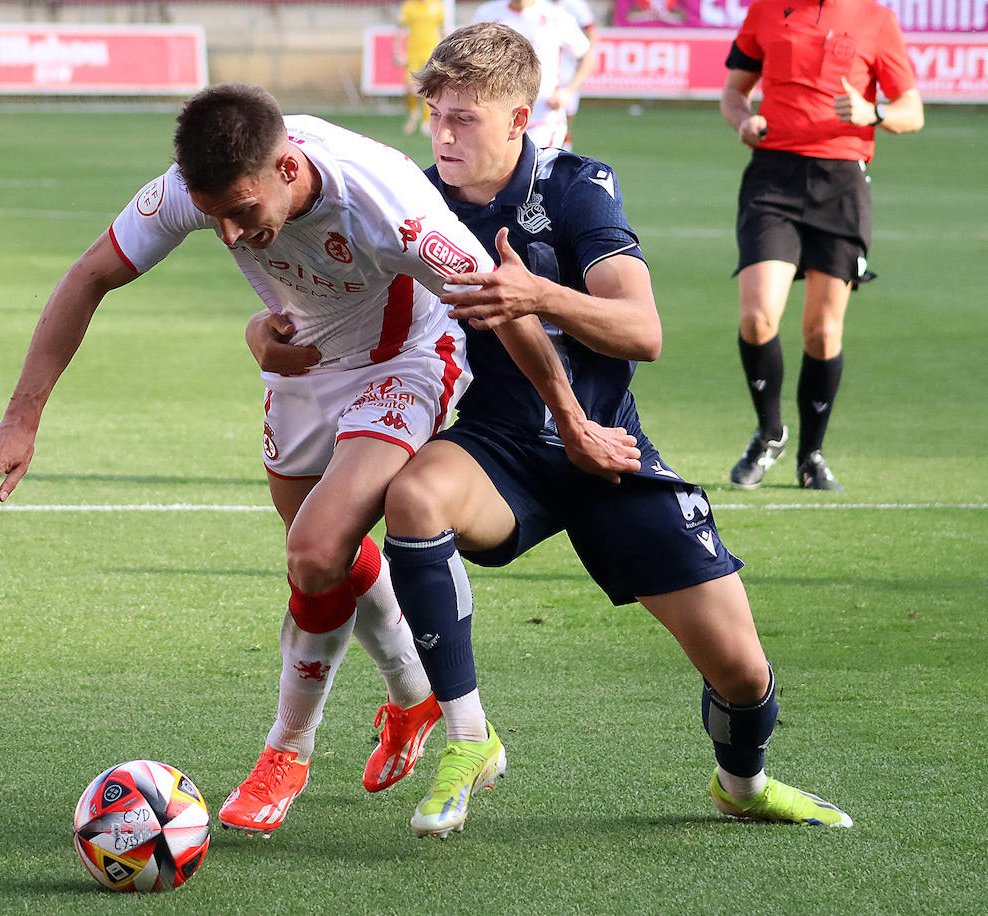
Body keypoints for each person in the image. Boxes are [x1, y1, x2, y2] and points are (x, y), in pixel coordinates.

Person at [0, 83, 636, 836]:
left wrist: (571, 421)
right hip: (302, 362)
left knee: (314, 551)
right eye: (215, 219)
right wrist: (21, 420)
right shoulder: (196, 188)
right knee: (324, 557)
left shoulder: (388, 204)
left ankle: (288, 748)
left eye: (243, 212)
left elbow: (501, 310)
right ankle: (413, 696)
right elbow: (90, 276)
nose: (233, 236)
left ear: (286, 167)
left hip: (404, 359)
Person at [251, 23, 854, 840]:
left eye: (466, 118)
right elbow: (333, 305)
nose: (445, 134)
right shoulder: (411, 200)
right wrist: (264, 334)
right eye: (437, 115)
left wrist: (540, 295)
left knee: (743, 672)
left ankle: (741, 784)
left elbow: (644, 331)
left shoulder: (575, 191)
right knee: (416, 496)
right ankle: (467, 737)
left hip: (610, 453)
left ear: (519, 119)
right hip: (499, 450)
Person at [721, 0, 923, 490]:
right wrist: (743, 121)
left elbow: (911, 111)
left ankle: (811, 455)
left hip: (842, 182)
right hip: (773, 179)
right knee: (756, 316)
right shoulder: (765, 12)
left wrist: (872, 111)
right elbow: (733, 93)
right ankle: (770, 433)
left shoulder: (876, 19)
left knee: (823, 334)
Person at [470, 0, 590, 150]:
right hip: (499, 114)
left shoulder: (556, 16)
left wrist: (568, 91)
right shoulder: (487, 14)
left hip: (544, 113)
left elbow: (587, 56)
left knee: (538, 170)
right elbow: (472, 57)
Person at [549, 0, 597, 149]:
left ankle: (564, 149)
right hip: (544, 69)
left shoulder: (575, 5)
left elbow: (591, 33)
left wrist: (584, 54)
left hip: (566, 69)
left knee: (565, 114)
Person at [395, 0, 445, 135]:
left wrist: (446, 51)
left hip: (431, 51)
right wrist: (397, 50)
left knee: (429, 87)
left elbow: (442, 29)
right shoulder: (409, 6)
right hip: (413, 53)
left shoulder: (437, 5)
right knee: (409, 87)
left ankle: (426, 121)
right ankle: (413, 112)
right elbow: (400, 29)